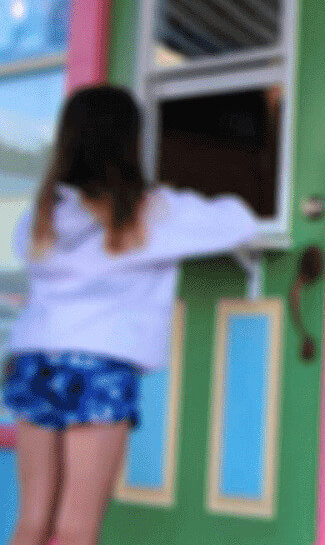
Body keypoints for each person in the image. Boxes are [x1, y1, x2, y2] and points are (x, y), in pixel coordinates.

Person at [2, 85, 260, 545]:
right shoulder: (150, 211)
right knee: (76, 527)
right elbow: (239, 220)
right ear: (131, 142)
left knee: (33, 519)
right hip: (101, 366)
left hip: (35, 360)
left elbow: (27, 256)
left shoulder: (41, 214)